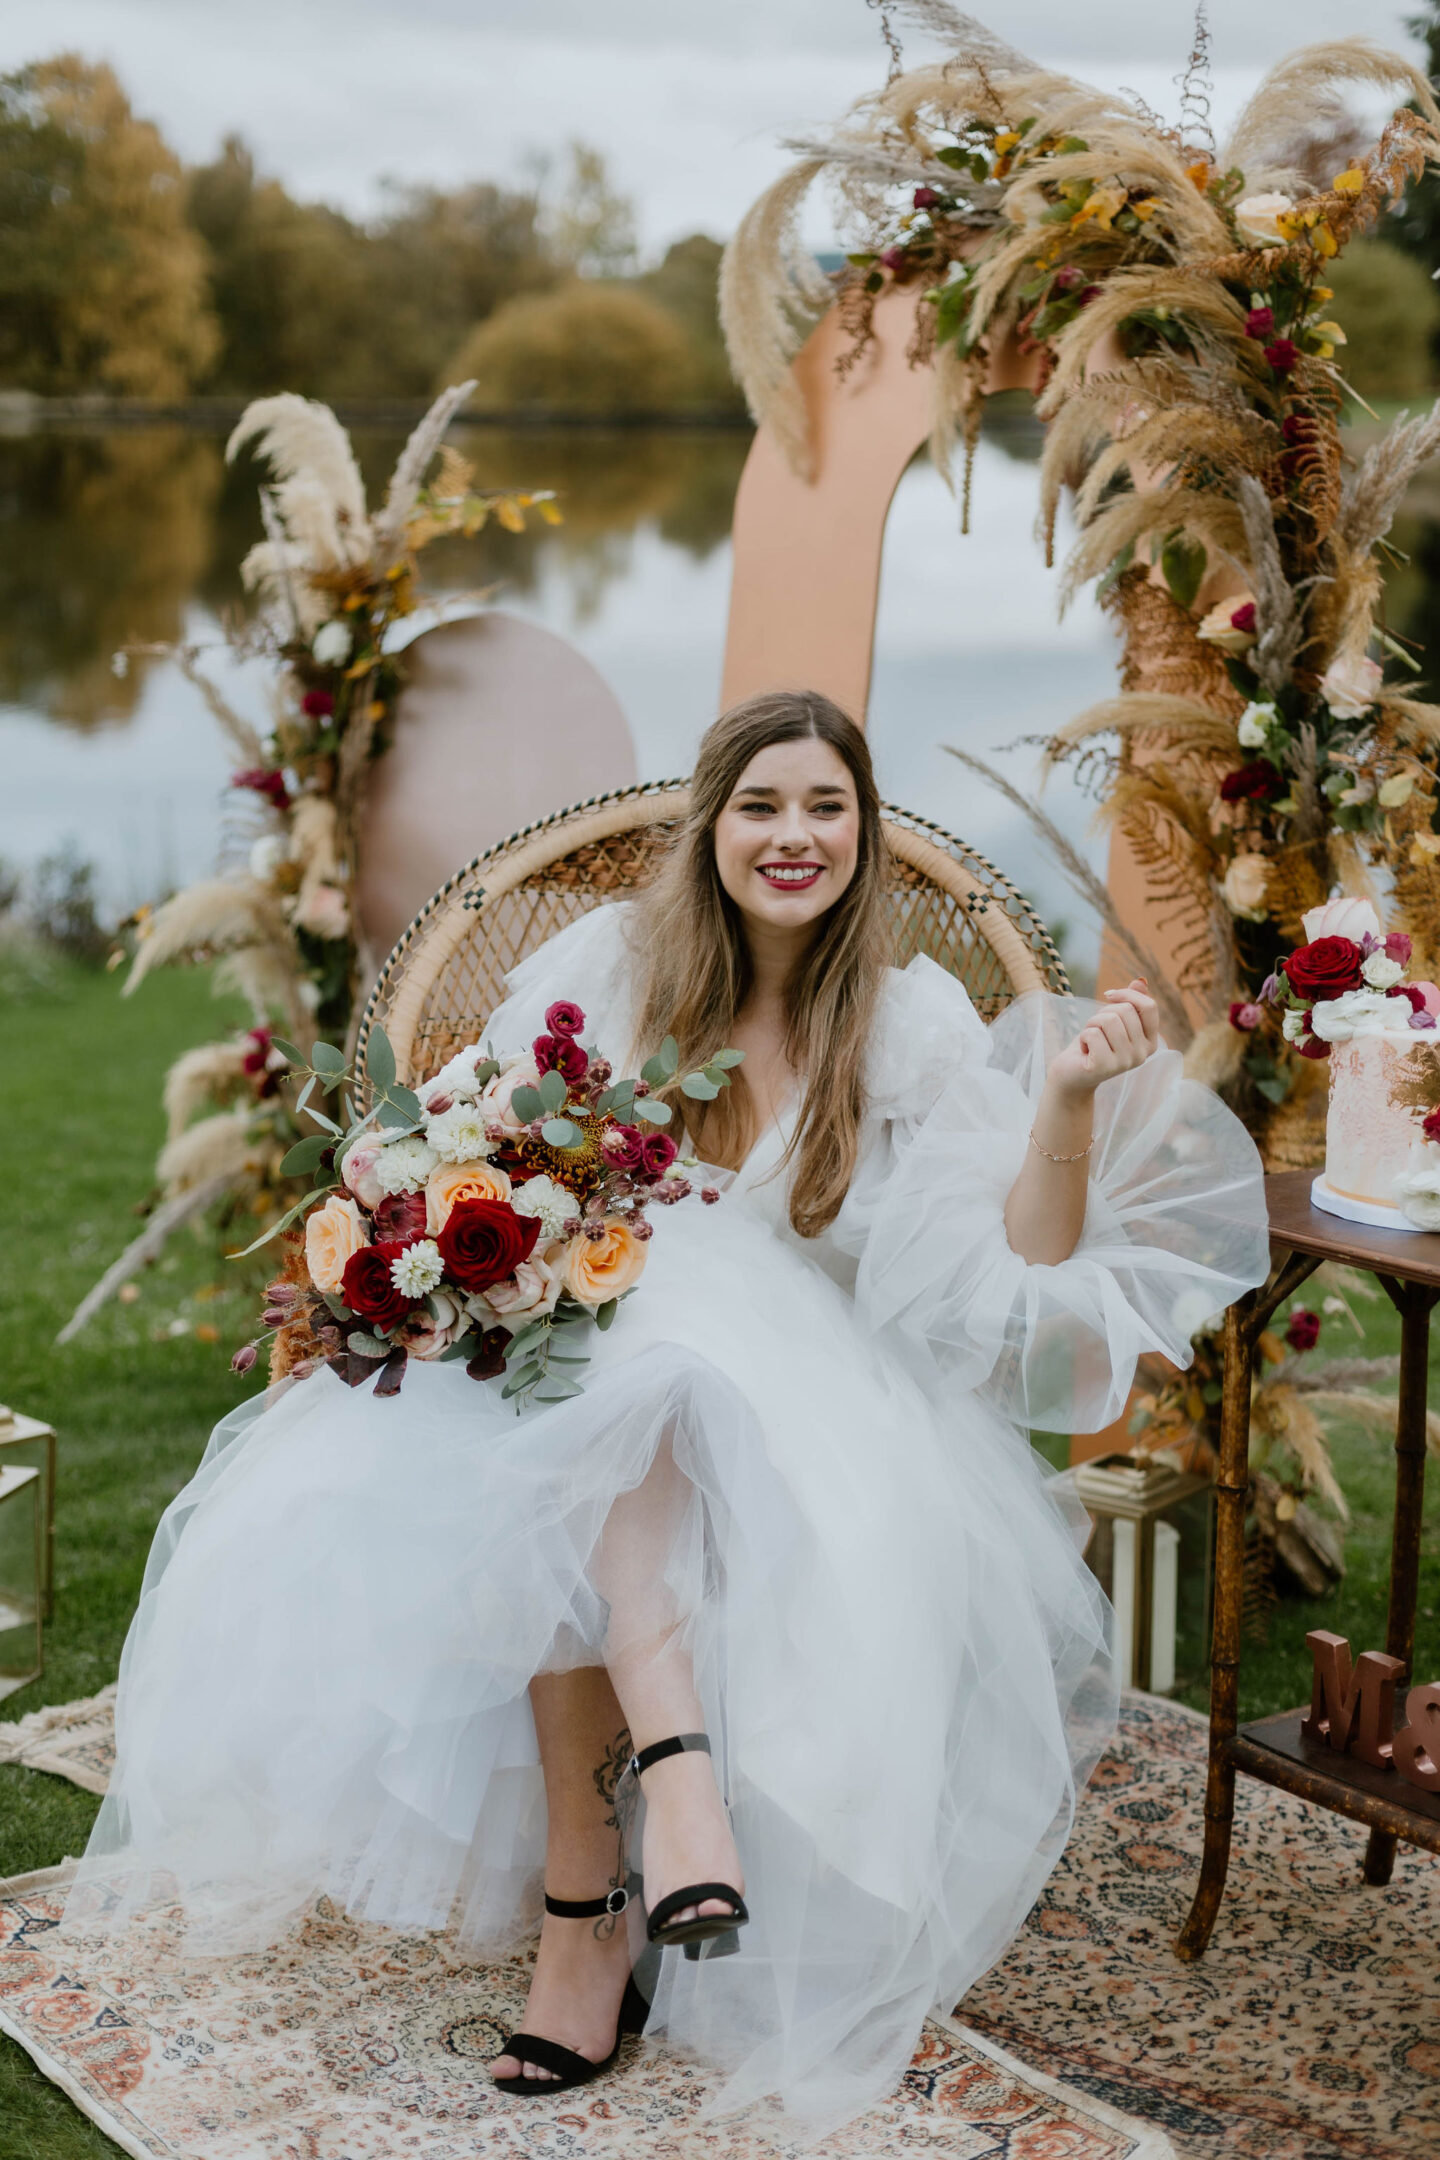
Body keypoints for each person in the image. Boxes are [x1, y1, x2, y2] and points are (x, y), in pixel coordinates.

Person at [72, 690, 1269, 2139]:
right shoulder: (615, 973)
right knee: (616, 1366)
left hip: (822, 1386)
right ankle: (661, 1809)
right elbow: (488, 1147)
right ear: (712, 825)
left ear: (863, 834)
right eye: (763, 804)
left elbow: (1008, 1263)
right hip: (603, 1354)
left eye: (827, 807)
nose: (794, 836)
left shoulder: (906, 1021)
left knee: (652, 1364)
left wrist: (1065, 1104)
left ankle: (600, 1902)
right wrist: (430, 1241)